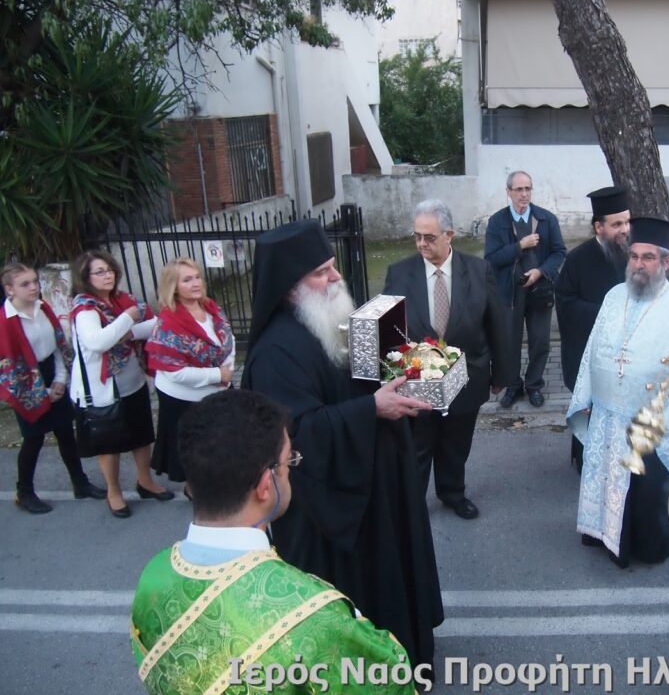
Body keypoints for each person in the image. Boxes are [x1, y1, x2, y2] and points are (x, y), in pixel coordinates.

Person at [241, 219, 443, 672]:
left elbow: (358, 375)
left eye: (333, 266)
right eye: (322, 272)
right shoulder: (274, 353)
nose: (336, 278)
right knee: (355, 596)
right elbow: (294, 435)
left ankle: (406, 654)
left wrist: (409, 366)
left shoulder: (327, 319)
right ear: (289, 286)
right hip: (331, 509)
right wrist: (370, 408)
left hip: (376, 481)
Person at [130, 389, 416, 695]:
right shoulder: (314, 614)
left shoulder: (153, 577)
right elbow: (391, 678)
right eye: (288, 461)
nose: (289, 470)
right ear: (266, 486)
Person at [567, 217, 669, 569]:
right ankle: (600, 533)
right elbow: (593, 348)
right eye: (634, 256)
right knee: (602, 475)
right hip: (606, 414)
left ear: (666, 262)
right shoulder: (614, 296)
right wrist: (585, 396)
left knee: (645, 496)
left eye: (648, 257)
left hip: (648, 422)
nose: (638, 264)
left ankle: (646, 545)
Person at [383, 199, 514, 520]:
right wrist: (391, 377)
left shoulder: (478, 270)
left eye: (429, 237)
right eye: (417, 236)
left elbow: (497, 324)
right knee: (418, 445)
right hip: (417, 382)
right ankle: (413, 503)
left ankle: (453, 493)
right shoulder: (399, 273)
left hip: (468, 376)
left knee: (457, 443)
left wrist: (502, 374)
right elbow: (388, 331)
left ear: (449, 235)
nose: (421, 244)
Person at [69, 250, 170, 518]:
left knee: (141, 434)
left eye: (110, 270)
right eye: (100, 272)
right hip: (102, 388)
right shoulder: (85, 309)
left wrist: (128, 331)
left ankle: (145, 481)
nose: (108, 275)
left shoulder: (123, 299)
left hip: (132, 380)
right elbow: (98, 342)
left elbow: (155, 324)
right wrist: (128, 318)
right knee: (109, 443)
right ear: (85, 277)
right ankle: (114, 492)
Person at [1, 263, 105, 513]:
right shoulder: (5, 321)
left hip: (51, 372)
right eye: (25, 284)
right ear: (9, 289)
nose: (34, 287)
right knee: (34, 439)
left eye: (35, 281)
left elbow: (57, 346)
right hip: (25, 382)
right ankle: (24, 492)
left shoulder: (42, 307)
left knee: (66, 433)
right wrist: (44, 393)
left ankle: (80, 483)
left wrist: (59, 379)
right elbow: (10, 366)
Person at [556, 186, 631, 474]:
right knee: (589, 410)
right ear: (599, 227)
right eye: (617, 224)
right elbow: (565, 303)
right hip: (588, 353)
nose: (625, 229)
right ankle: (584, 459)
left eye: (627, 222)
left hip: (625, 354)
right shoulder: (577, 259)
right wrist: (605, 313)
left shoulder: (634, 255)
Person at [145, 258, 235, 495]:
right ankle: (193, 490)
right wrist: (216, 374)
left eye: (197, 277)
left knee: (220, 444)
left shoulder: (211, 308)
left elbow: (229, 339)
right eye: (187, 280)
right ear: (173, 286)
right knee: (194, 451)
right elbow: (174, 371)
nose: (196, 283)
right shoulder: (168, 323)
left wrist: (227, 368)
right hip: (183, 399)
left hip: (217, 390)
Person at [485, 170, 566, 409]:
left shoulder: (546, 219)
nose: (524, 194)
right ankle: (513, 385)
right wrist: (519, 246)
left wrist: (540, 272)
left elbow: (559, 252)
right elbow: (491, 259)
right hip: (509, 293)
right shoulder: (497, 221)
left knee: (540, 342)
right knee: (509, 343)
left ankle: (534, 385)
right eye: (519, 189)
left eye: (528, 188)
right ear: (508, 191)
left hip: (540, 290)